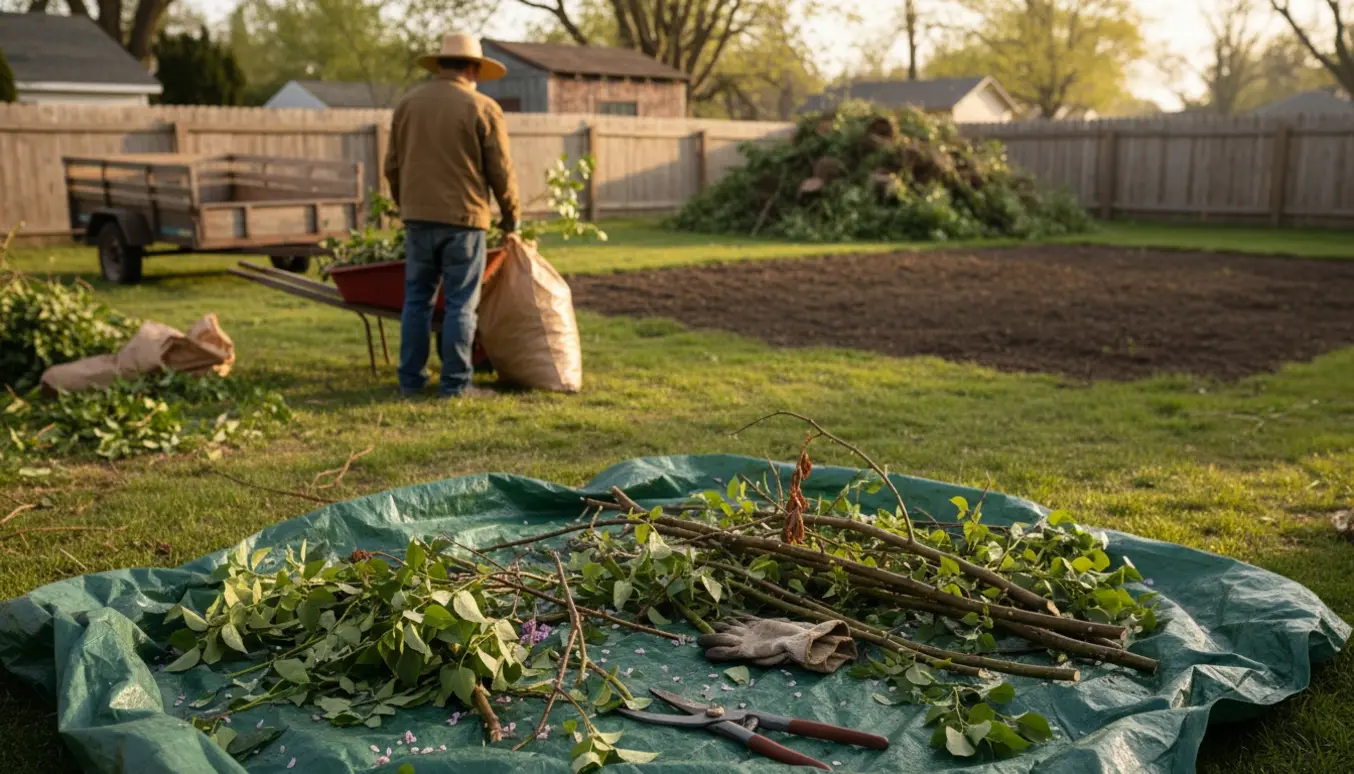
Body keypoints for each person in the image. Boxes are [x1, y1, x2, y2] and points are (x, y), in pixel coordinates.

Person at [384, 32, 520, 398]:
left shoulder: (407, 105)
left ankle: (410, 382)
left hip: (418, 219)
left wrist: (407, 205)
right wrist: (512, 217)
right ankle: (456, 385)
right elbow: (501, 172)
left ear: (440, 64)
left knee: (416, 301)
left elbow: (392, 166)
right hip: (464, 221)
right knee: (461, 303)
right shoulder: (483, 108)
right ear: (474, 67)